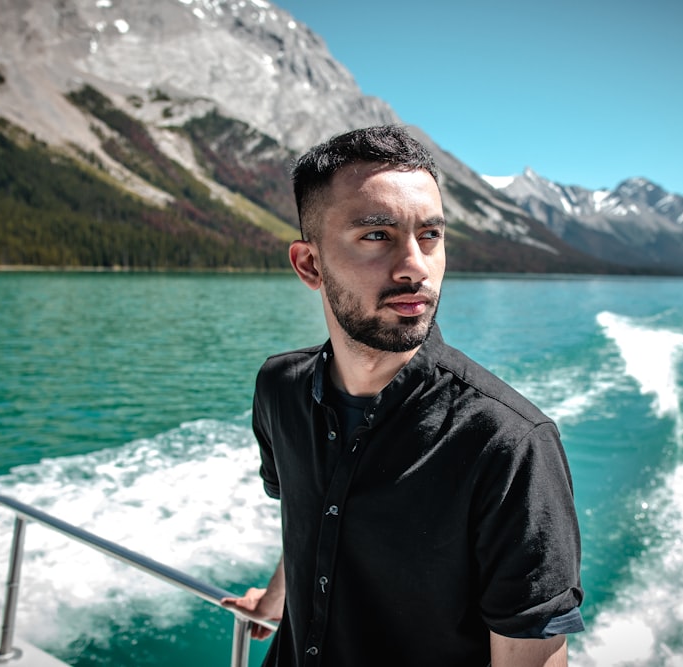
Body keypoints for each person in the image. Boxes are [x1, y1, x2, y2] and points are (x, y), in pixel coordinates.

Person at [222, 125, 584, 666]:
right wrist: (275, 598)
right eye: (377, 235)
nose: (415, 266)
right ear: (310, 265)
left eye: (430, 236)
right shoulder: (279, 389)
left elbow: (531, 655)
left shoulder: (510, 445)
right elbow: (310, 517)